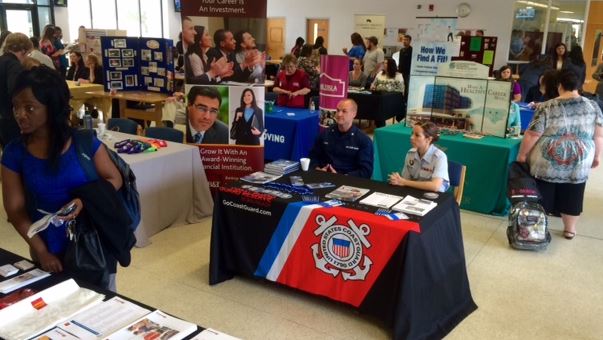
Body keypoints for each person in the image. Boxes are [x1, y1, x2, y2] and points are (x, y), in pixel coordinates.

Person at [1, 66, 124, 287]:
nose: (20, 114)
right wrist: (42, 251)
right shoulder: (14, 153)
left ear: (52, 107)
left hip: (93, 246)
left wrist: (84, 201)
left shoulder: (84, 142)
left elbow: (115, 179)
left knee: (102, 303)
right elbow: (15, 211)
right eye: (16, 107)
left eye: (30, 108)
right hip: (46, 247)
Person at [517, 69, 603, 240]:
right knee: (574, 193)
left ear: (559, 85)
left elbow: (532, 134)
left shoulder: (547, 106)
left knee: (543, 193)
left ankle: (536, 229)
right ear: (579, 85)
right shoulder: (593, 106)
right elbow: (599, 135)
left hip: (548, 159)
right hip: (580, 158)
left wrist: (522, 155)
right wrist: (597, 156)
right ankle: (570, 229)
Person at [308, 99, 373, 178]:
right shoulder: (326, 133)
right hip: (323, 176)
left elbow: (366, 171)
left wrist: (341, 177)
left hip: (347, 181)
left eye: (344, 111)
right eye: (338, 110)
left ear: (354, 114)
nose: (339, 114)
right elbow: (312, 156)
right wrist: (318, 169)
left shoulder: (363, 140)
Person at [389, 121, 449, 192]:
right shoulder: (411, 153)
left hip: (434, 196)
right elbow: (405, 179)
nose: (411, 137)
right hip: (415, 192)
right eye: (412, 133)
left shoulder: (440, 157)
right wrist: (397, 180)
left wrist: (404, 182)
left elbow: (435, 186)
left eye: (417, 135)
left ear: (428, 139)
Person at [0, 33, 33, 148]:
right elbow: (16, 92)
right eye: (28, 53)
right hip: (10, 118)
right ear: (23, 50)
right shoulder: (14, 66)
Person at [397, 34, 413, 102]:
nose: (404, 41)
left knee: (406, 87)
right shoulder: (401, 50)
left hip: (408, 72)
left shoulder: (412, 50)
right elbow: (400, 61)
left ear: (410, 41)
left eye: (406, 40)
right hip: (401, 72)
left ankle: (406, 101)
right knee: (400, 86)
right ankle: (400, 99)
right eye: (403, 40)